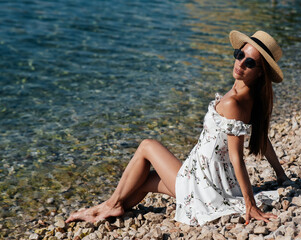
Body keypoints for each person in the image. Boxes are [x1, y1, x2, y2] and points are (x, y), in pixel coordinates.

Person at [66, 30, 289, 226]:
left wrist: (249, 203)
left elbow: (236, 157)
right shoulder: (252, 98)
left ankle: (108, 206)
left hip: (203, 182)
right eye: (239, 55)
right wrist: (281, 175)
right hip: (211, 177)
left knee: (146, 146)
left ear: (260, 72)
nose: (240, 64)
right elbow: (262, 138)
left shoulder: (234, 102)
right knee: (142, 180)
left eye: (249, 63)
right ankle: (109, 208)